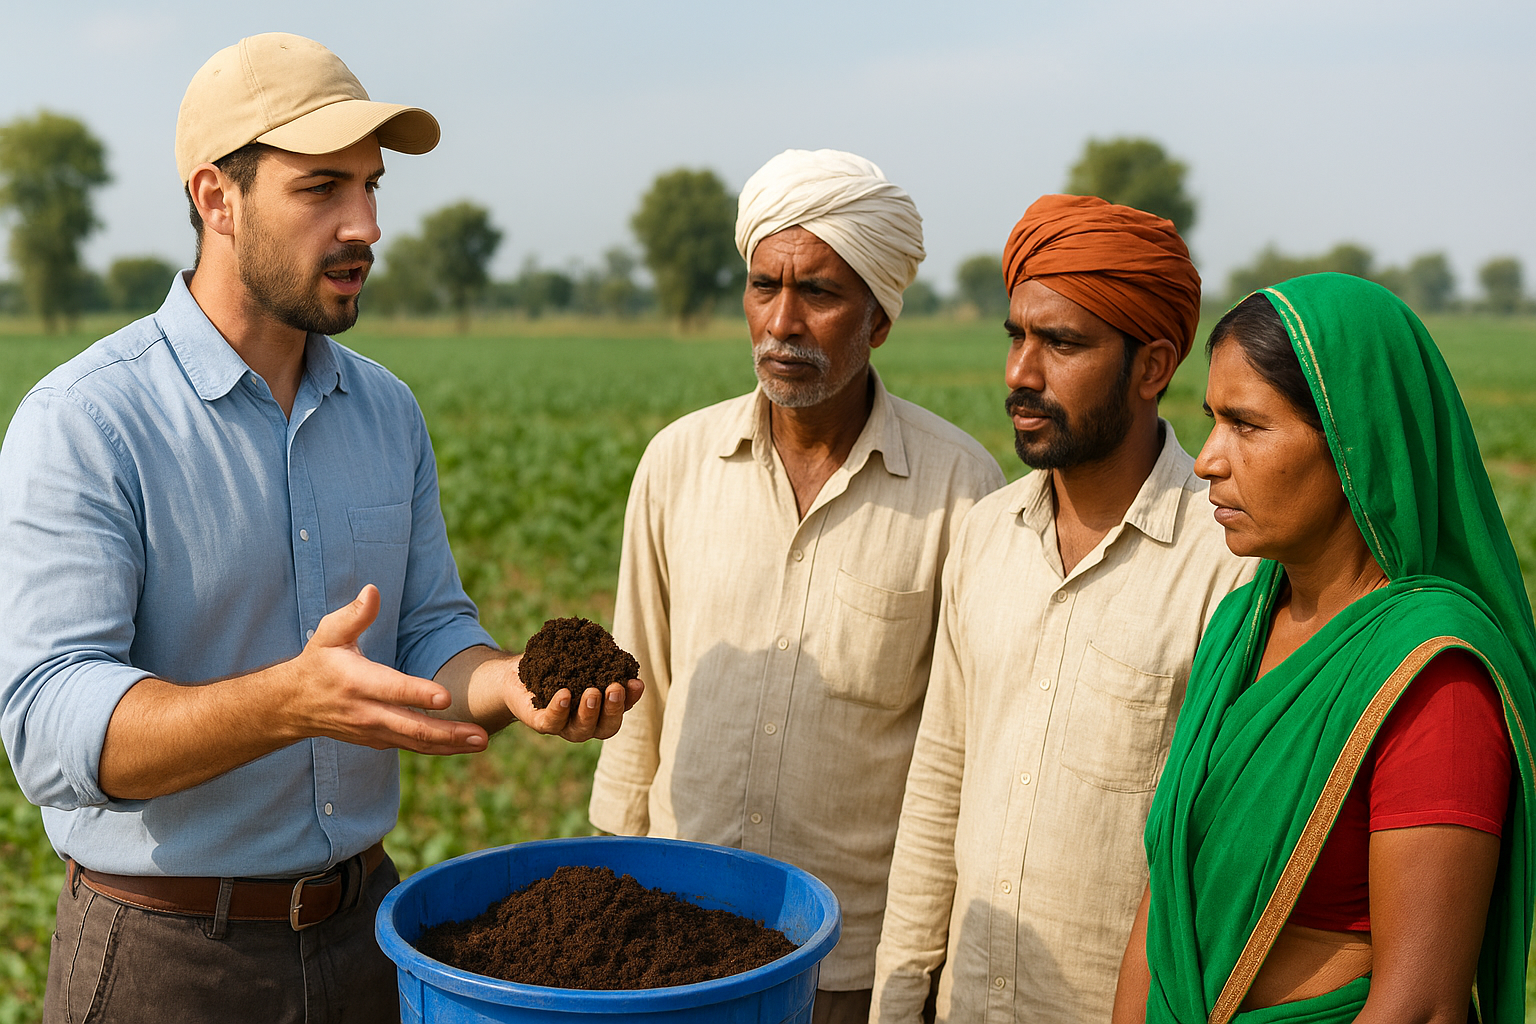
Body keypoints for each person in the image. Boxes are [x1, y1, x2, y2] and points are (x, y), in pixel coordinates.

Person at [0, 33, 639, 1022]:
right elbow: (50, 726)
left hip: (365, 942)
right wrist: (286, 701)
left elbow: (430, 634)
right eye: (322, 189)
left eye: (373, 187)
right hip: (164, 958)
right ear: (217, 197)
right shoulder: (87, 422)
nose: (366, 225)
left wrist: (514, 682)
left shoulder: (387, 413)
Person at [588, 148, 1004, 1023]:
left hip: (849, 961)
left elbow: (961, 749)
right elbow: (643, 692)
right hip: (674, 943)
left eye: (819, 293)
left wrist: (915, 970)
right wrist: (613, 904)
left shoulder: (962, 490)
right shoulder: (677, 464)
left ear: (879, 317)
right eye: (764, 286)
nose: (783, 322)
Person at [869, 195, 1254, 1024]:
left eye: (1061, 343)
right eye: (1016, 336)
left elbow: (1224, 857)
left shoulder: (1227, 566)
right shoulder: (984, 535)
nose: (1021, 373)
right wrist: (898, 1000)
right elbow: (940, 782)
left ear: (1152, 367)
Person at [1112, 274, 1536, 1024]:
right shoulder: (1240, 626)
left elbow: (1422, 1004)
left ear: (1353, 440)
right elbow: (1165, 899)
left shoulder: (1432, 679)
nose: (1208, 458)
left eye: (1247, 425)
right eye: (1211, 419)